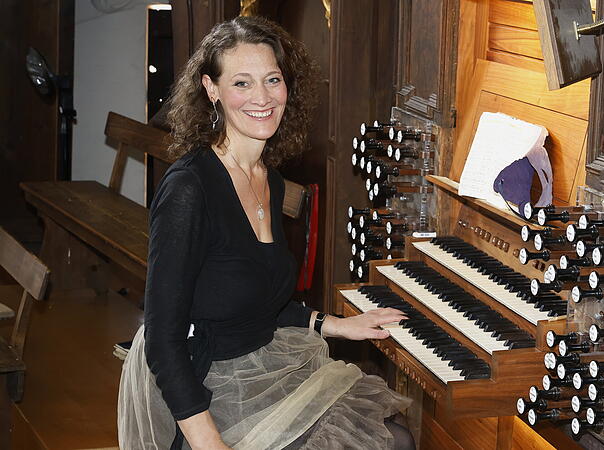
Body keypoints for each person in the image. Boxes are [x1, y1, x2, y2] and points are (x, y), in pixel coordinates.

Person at [118, 16, 414, 450]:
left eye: (272, 80)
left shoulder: (268, 179)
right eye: (242, 83)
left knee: (395, 436)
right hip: (207, 385)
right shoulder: (189, 189)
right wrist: (208, 443)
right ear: (211, 89)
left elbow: (256, 300)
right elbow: (163, 338)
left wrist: (338, 325)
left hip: (263, 366)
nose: (262, 97)